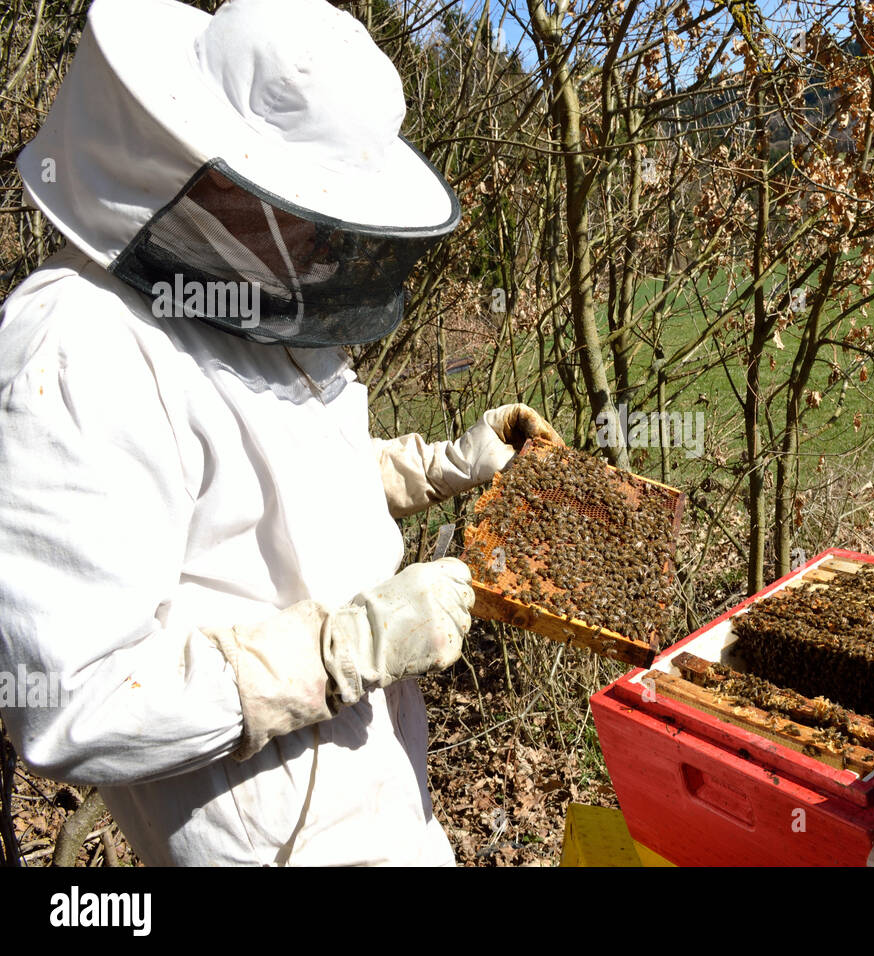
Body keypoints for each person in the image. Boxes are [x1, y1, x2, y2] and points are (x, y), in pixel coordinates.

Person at [0, 0, 559, 866]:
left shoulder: (240, 292)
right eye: (313, 212)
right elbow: (75, 707)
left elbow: (270, 487)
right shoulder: (77, 350)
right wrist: (341, 650)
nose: (331, 247)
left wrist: (442, 466)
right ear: (223, 180)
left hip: (388, 810)